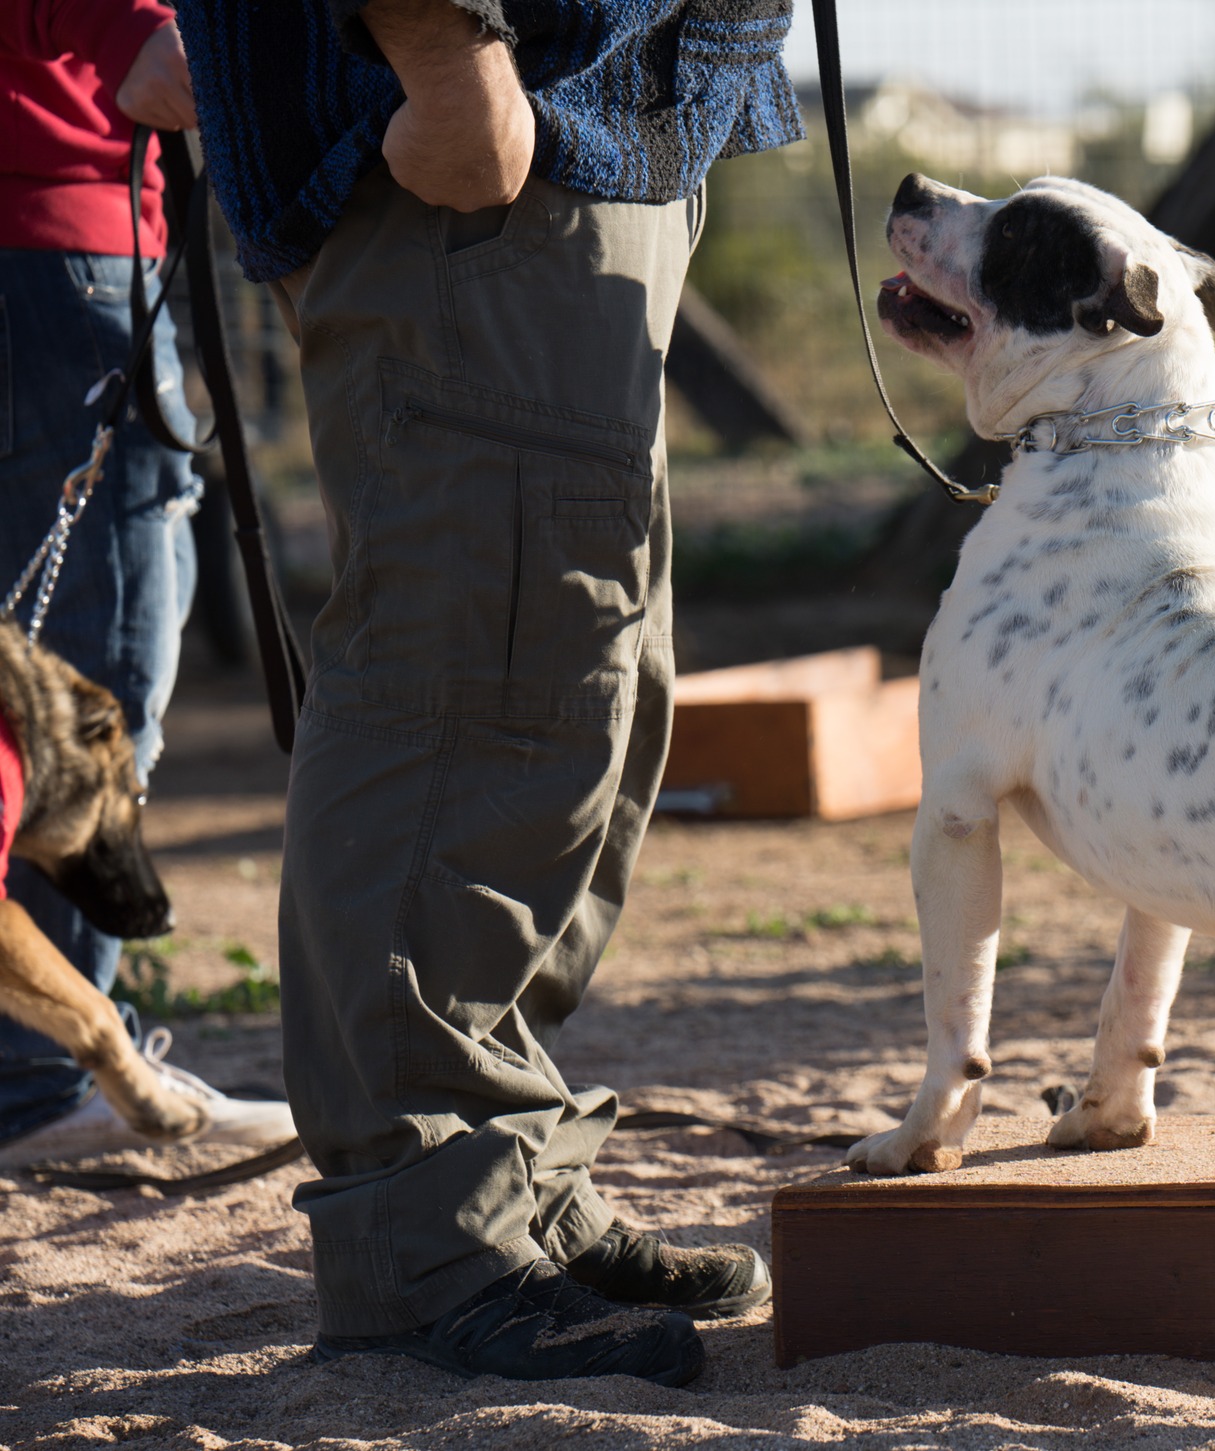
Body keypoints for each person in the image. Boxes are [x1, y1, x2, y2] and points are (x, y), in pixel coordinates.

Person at [172, 0, 803, 1386]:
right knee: (474, 680)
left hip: (584, 131)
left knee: (582, 693)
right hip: (470, 128)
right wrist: (444, 49)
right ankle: (426, 1227)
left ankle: (507, 1177)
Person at [0, 3, 297, 1165]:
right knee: (90, 684)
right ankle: (41, 1078)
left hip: (68, 220)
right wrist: (124, 26)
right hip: (56, 227)